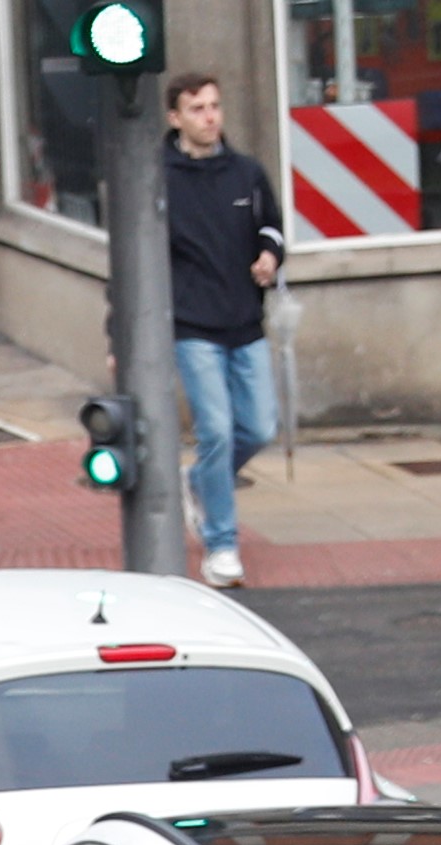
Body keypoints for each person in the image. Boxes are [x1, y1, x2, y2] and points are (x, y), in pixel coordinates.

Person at [162, 73, 287, 587]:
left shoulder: (247, 173)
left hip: (244, 321)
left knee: (259, 427)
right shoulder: (158, 178)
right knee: (214, 430)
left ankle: (200, 481)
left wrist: (269, 256)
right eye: (197, 109)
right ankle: (221, 545)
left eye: (215, 106)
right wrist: (114, 338)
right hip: (193, 325)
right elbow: (133, 261)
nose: (210, 117)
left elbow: (272, 227)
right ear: (176, 118)